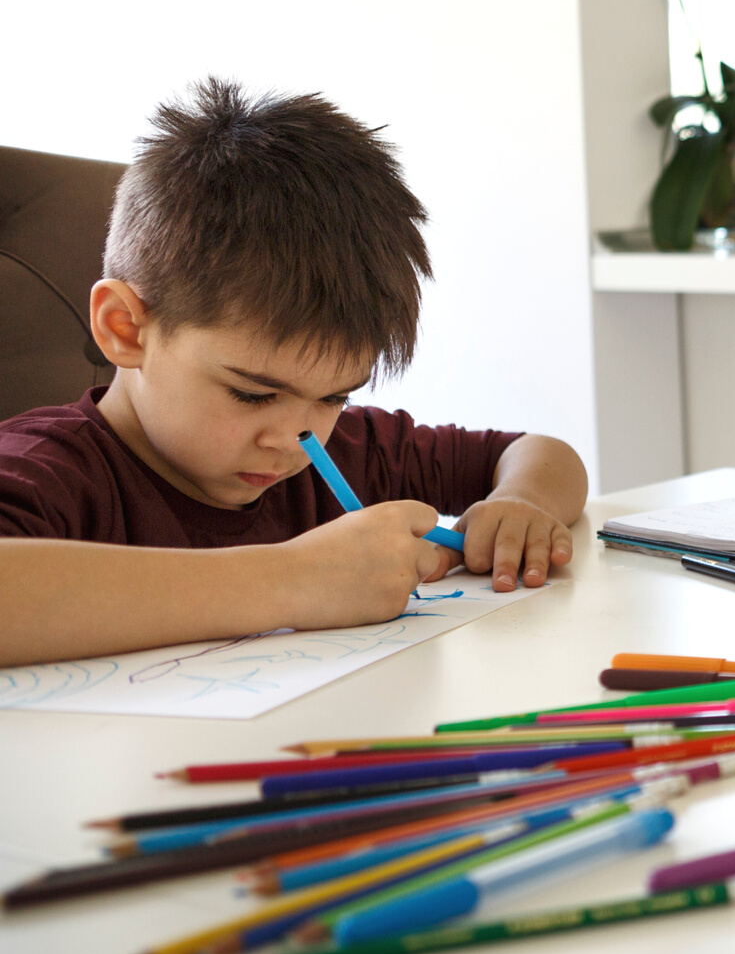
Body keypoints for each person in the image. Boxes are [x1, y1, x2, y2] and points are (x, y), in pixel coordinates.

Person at [0, 81, 588, 666]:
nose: (293, 440)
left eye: (334, 396)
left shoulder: (344, 457)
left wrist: (519, 504)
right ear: (126, 328)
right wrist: (295, 579)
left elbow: (540, 454)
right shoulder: (45, 472)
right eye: (252, 394)